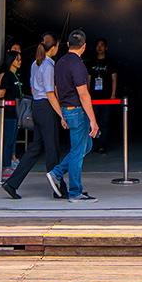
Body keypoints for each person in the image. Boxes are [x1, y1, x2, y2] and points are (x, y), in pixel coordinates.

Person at [2, 34, 61, 199]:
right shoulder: (48, 65)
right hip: (46, 107)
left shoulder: (36, 63)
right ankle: (58, 187)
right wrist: (61, 114)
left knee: (35, 148)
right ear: (53, 48)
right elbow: (50, 93)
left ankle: (12, 183)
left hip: (36, 106)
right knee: (52, 148)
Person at [48, 29, 100, 202]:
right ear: (84, 47)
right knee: (78, 152)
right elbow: (83, 94)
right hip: (77, 111)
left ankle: (57, 172)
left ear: (69, 44)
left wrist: (62, 113)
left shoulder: (60, 62)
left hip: (67, 109)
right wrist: (93, 120)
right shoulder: (78, 65)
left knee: (86, 146)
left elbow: (56, 89)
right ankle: (75, 192)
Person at [0, 44, 27, 172]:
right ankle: (6, 165)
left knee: (13, 139)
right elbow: (0, 93)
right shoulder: (7, 75)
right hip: (8, 111)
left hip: (16, 111)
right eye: (17, 59)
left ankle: (10, 162)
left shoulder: (16, 75)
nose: (19, 62)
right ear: (11, 60)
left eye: (20, 59)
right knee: (8, 139)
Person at [87, 37, 116, 152]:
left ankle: (102, 145)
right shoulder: (91, 62)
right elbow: (88, 79)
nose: (99, 47)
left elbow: (114, 79)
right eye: (97, 45)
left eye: (102, 45)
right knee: (93, 121)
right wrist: (87, 95)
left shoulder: (110, 62)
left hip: (106, 97)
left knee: (105, 121)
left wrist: (113, 94)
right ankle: (93, 144)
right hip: (93, 97)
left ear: (106, 47)